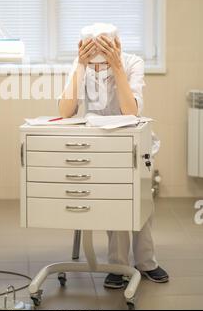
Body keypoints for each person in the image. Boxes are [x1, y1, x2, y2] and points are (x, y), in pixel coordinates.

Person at [58, 27, 169, 289]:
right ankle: (117, 264)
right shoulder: (81, 65)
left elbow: (130, 111)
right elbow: (65, 111)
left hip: (133, 139)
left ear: (117, 44)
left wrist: (117, 66)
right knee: (114, 197)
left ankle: (146, 261)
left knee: (141, 199)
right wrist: (82, 66)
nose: (100, 62)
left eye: (105, 53)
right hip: (99, 143)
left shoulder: (132, 63)